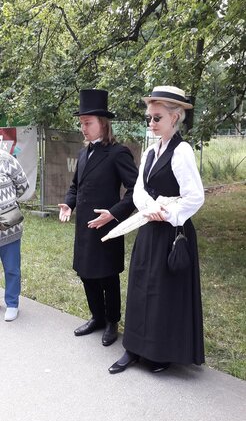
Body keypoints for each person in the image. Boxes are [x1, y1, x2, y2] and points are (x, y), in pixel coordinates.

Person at [109, 85, 205, 374]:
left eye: (156, 118)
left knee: (164, 292)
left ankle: (159, 352)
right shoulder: (150, 152)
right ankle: (133, 348)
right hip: (149, 229)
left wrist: (167, 213)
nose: (150, 124)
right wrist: (148, 207)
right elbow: (138, 189)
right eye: (148, 118)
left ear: (175, 118)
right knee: (140, 287)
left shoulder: (183, 151)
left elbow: (195, 196)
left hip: (172, 232)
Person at [59, 89, 138, 346]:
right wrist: (69, 205)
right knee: (85, 272)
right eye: (81, 123)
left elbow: (136, 191)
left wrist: (114, 214)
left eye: (87, 123)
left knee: (107, 275)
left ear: (102, 123)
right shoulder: (84, 154)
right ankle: (97, 317)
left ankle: (112, 321)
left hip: (107, 226)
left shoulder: (118, 153)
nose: (83, 128)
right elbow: (75, 186)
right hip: (85, 227)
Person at [0, 149, 29, 321]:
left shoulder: (6, 159)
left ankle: (12, 304)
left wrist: (7, 201)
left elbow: (23, 185)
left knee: (11, 268)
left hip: (8, 226)